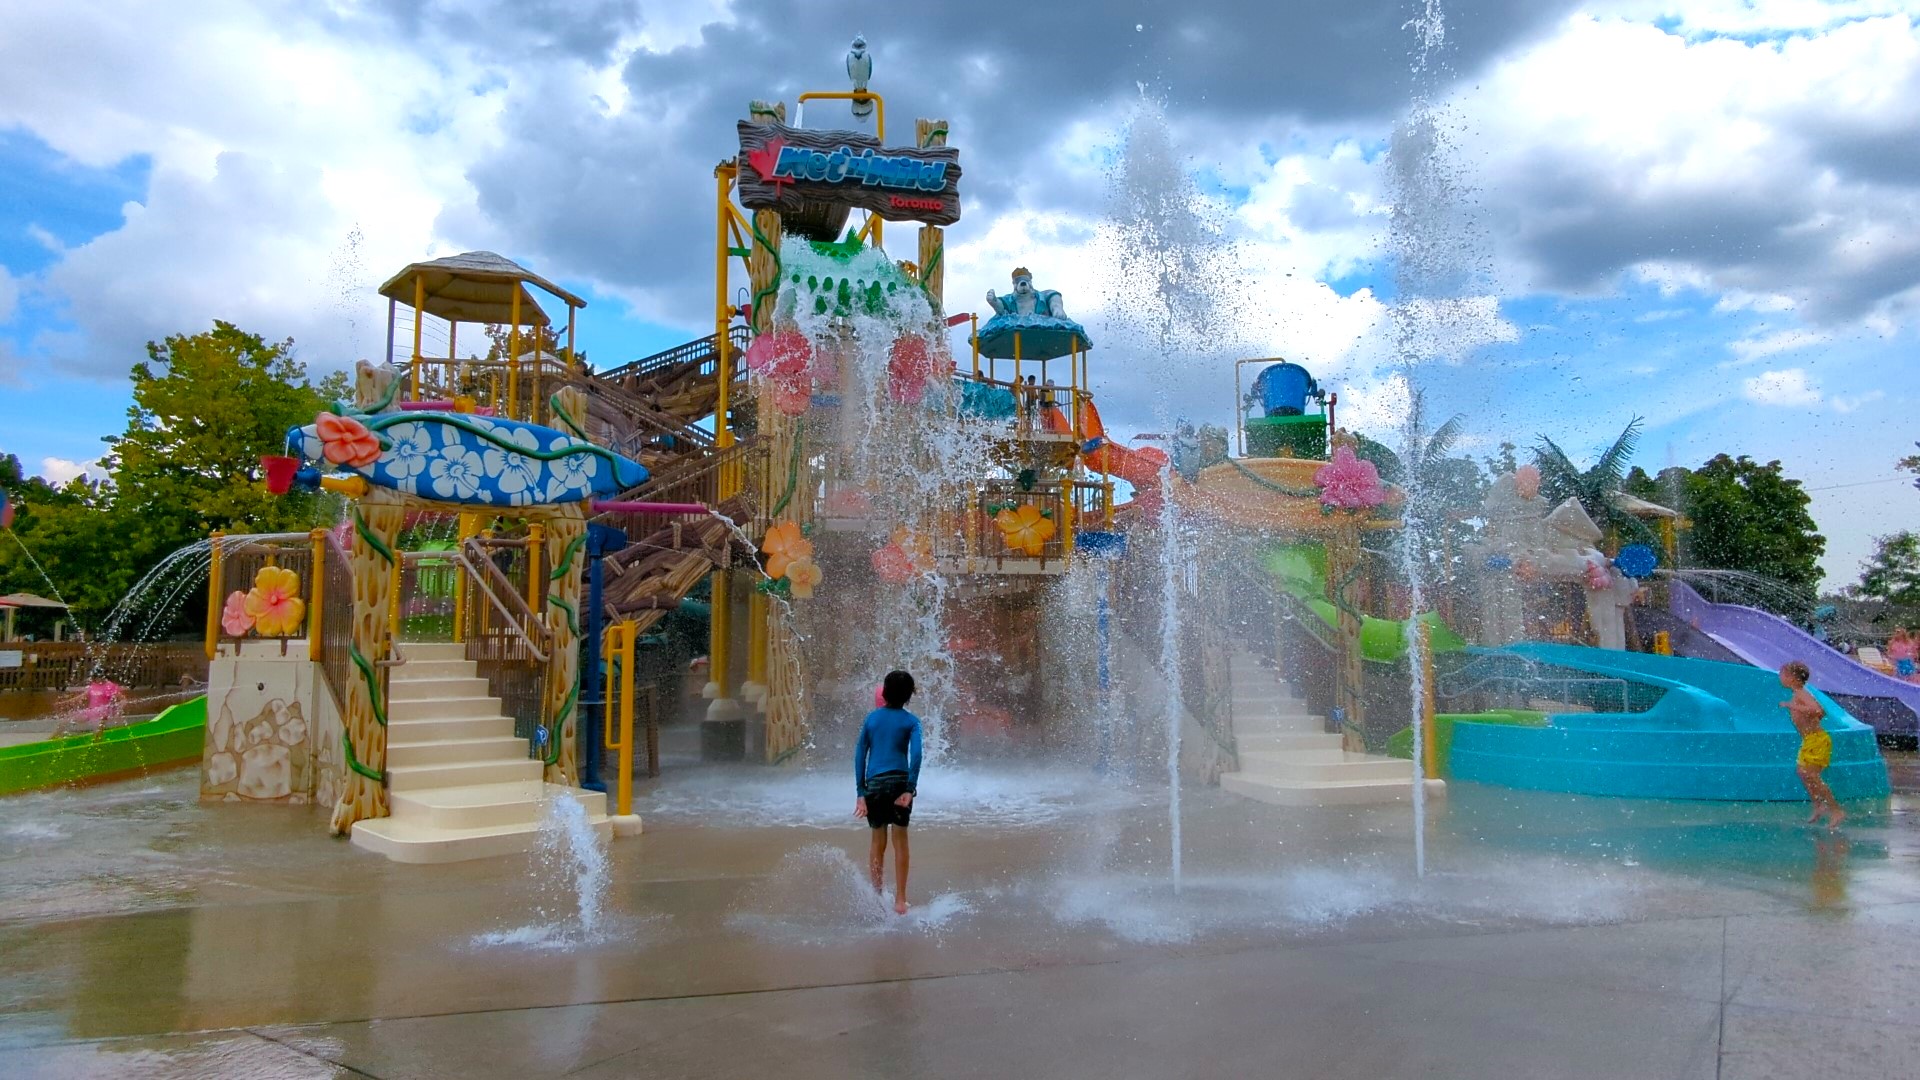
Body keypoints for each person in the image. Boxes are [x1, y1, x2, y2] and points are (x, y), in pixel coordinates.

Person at [855, 670, 923, 915]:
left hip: (874, 784)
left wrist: (860, 792)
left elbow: (860, 755)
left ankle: (877, 895)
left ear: (883, 692)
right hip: (899, 783)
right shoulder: (911, 721)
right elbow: (916, 756)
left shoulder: (872, 719)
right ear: (908, 696)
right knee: (901, 842)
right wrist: (909, 788)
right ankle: (901, 901)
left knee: (877, 842)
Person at [1779, 660, 1844, 830]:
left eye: (1783, 674)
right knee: (1802, 773)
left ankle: (1836, 810)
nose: (1780, 678)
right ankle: (1818, 805)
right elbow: (1818, 714)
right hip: (1809, 740)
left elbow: (1818, 710)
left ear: (1793, 678)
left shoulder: (1801, 694)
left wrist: (1792, 706)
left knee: (1812, 775)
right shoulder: (1797, 694)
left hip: (1818, 740)